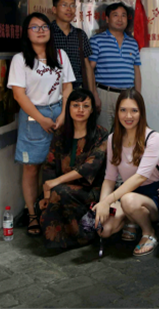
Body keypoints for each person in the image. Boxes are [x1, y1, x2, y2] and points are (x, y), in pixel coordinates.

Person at [8, 12, 75, 237]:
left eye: (44, 26)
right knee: (31, 167)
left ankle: (55, 213)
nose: (40, 31)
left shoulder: (60, 55)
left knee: (60, 165)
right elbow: (19, 95)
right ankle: (32, 215)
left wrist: (64, 114)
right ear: (26, 33)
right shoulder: (20, 60)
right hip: (33, 116)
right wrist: (41, 118)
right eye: (34, 27)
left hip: (59, 113)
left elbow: (67, 86)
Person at [93, 89, 159, 256]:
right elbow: (110, 178)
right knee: (104, 229)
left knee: (128, 200)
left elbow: (140, 177)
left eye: (134, 110)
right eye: (123, 110)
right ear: (117, 112)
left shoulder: (153, 138)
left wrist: (109, 200)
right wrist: (103, 204)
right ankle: (131, 219)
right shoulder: (113, 139)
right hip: (126, 193)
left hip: (152, 195)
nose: (128, 116)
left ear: (141, 113)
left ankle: (149, 232)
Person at [37, 89, 108, 249]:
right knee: (47, 200)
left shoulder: (100, 134)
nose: (80, 110)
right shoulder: (61, 134)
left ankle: (81, 237)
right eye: (75, 105)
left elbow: (90, 167)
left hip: (90, 190)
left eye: (85, 106)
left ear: (92, 110)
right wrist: (46, 194)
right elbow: (50, 165)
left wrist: (55, 183)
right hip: (61, 187)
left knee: (60, 192)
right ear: (68, 108)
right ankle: (58, 239)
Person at [90, 2, 142, 132]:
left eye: (123, 15)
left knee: (126, 133)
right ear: (107, 19)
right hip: (105, 94)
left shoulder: (132, 43)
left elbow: (136, 70)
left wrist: (137, 96)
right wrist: (94, 94)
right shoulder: (97, 40)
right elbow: (89, 69)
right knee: (103, 134)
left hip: (127, 95)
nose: (120, 19)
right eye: (115, 15)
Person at [50, 0, 99, 99]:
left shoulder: (80, 35)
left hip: (78, 92)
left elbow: (87, 67)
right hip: (53, 92)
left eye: (72, 5)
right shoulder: (47, 33)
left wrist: (91, 94)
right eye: (64, 5)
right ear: (54, 9)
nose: (69, 9)